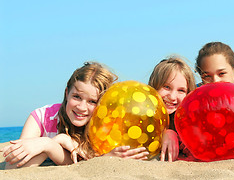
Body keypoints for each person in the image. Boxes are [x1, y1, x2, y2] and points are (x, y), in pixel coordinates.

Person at [1, 62, 148, 169]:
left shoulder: (105, 128)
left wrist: (51, 144)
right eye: (76, 97)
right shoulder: (41, 117)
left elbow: (82, 163)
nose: (82, 107)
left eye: (92, 101)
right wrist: (49, 144)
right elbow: (12, 168)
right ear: (67, 93)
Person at [148, 56, 196, 162]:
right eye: (166, 87)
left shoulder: (188, 122)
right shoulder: (142, 114)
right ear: (153, 87)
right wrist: (166, 132)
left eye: (181, 90)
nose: (172, 97)